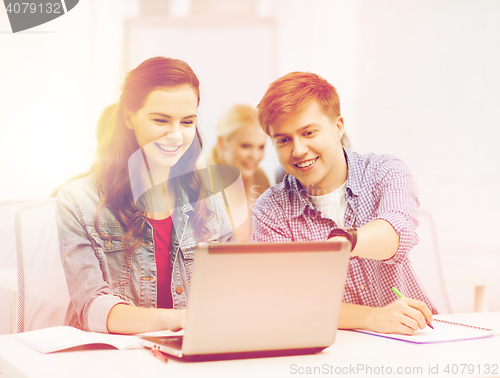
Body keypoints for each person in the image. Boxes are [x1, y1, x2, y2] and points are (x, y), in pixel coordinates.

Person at [56, 57, 235, 335]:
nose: (176, 135)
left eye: (187, 122)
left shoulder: (207, 196)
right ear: (129, 116)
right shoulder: (78, 200)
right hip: (110, 361)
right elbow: (91, 305)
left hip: (190, 354)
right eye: (161, 120)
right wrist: (177, 321)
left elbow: (231, 285)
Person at [251, 71, 437, 335]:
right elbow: (286, 300)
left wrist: (341, 244)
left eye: (308, 132)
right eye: (283, 139)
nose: (298, 150)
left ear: (338, 127)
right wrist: (372, 318)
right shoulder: (270, 210)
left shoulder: (385, 171)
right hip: (334, 349)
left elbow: (397, 233)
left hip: (413, 334)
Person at [209, 104, 270, 242]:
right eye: (246, 146)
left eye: (261, 147)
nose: (255, 156)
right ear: (221, 143)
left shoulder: (260, 178)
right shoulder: (196, 180)